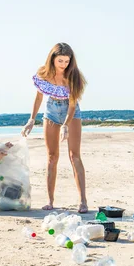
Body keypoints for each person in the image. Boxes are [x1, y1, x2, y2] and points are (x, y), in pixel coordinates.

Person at [21, 43, 88, 212]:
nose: (64, 64)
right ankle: (50, 201)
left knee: (74, 156)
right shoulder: (43, 73)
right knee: (52, 157)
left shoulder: (74, 76)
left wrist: (66, 124)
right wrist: (31, 119)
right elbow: (38, 98)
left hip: (71, 111)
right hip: (51, 109)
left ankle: (83, 201)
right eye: (60, 60)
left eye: (67, 61)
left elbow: (72, 104)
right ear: (52, 59)